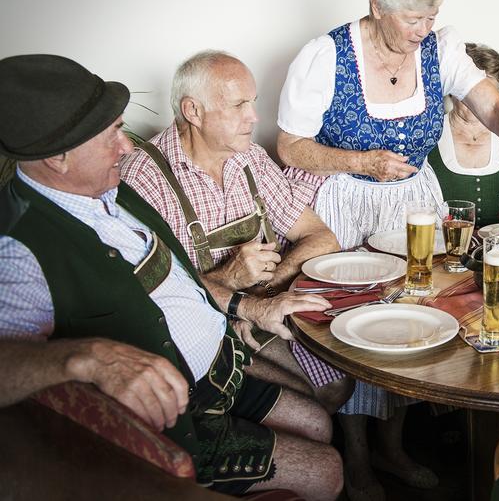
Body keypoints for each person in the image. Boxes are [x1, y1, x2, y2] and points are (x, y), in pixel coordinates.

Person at [275, 0, 499, 499]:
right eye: (412, 18)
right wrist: (361, 161)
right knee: (350, 325)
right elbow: (289, 148)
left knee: (410, 317)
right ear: (376, 5)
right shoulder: (325, 56)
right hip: (345, 202)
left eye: (431, 16)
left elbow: (498, 107)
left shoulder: (442, 47)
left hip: (414, 203)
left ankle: (394, 449)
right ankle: (355, 455)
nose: (424, 30)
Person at [0, 54, 342, 500]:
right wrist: (86, 356)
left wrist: (253, 306)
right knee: (327, 468)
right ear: (60, 157)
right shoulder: (20, 247)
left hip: (221, 366)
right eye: (112, 136)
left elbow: (178, 283)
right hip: (181, 414)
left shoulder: (110, 192)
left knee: (321, 418)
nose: (126, 148)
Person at [119, 50, 351, 407]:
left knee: (339, 379)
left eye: (253, 102)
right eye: (239, 105)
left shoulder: (248, 157)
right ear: (192, 111)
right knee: (316, 396)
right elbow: (159, 295)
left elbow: (321, 237)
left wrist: (266, 291)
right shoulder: (143, 178)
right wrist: (232, 283)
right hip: (197, 333)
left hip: (257, 310)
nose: (254, 117)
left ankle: (364, 459)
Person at [427, 43, 499, 227]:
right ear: (452, 89)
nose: (478, 103)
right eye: (471, 93)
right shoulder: (429, 133)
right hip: (443, 250)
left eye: (488, 94)